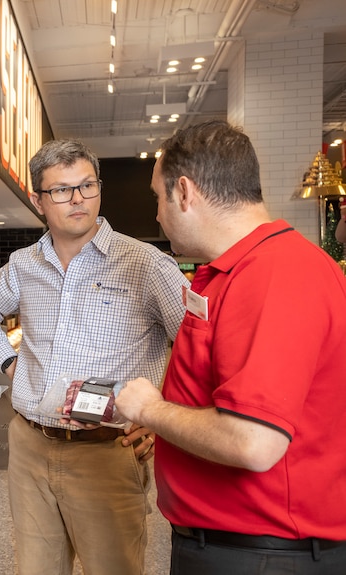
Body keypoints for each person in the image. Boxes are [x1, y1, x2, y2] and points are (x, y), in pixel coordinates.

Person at [115, 120, 346, 574]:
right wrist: (169, 426)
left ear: (185, 192)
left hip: (262, 553)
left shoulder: (274, 275)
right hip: (237, 545)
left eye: (158, 198)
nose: (157, 214)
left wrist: (151, 410)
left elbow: (254, 441)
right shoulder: (245, 269)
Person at [0, 138, 189, 575]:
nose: (78, 199)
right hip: (29, 446)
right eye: (62, 190)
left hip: (107, 451)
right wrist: (12, 365)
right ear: (38, 200)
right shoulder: (25, 265)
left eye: (87, 185)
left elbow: (196, 347)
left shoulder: (144, 263)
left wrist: (164, 414)